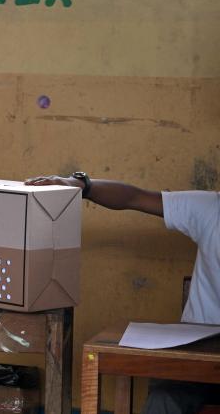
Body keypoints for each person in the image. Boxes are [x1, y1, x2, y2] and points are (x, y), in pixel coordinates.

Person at [25, 172, 219, 414]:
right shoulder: (211, 209)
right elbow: (133, 197)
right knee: (164, 399)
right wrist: (82, 185)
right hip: (193, 361)